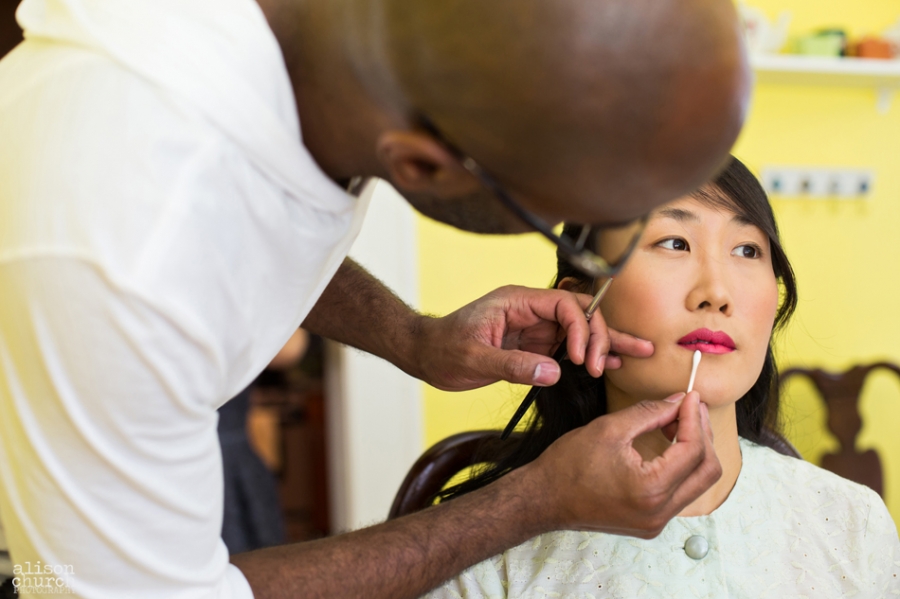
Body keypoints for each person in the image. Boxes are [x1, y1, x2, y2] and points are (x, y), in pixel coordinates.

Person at [0, 0, 749, 598]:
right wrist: (532, 504)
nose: (713, 288)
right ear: (423, 165)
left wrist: (412, 337)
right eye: (655, 240)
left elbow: (251, 216)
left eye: (747, 248)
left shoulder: (309, 61)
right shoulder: (122, 253)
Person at [425, 157, 900, 597]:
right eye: (673, 243)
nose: (716, 292)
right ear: (579, 304)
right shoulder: (482, 553)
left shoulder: (854, 523)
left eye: (747, 249)